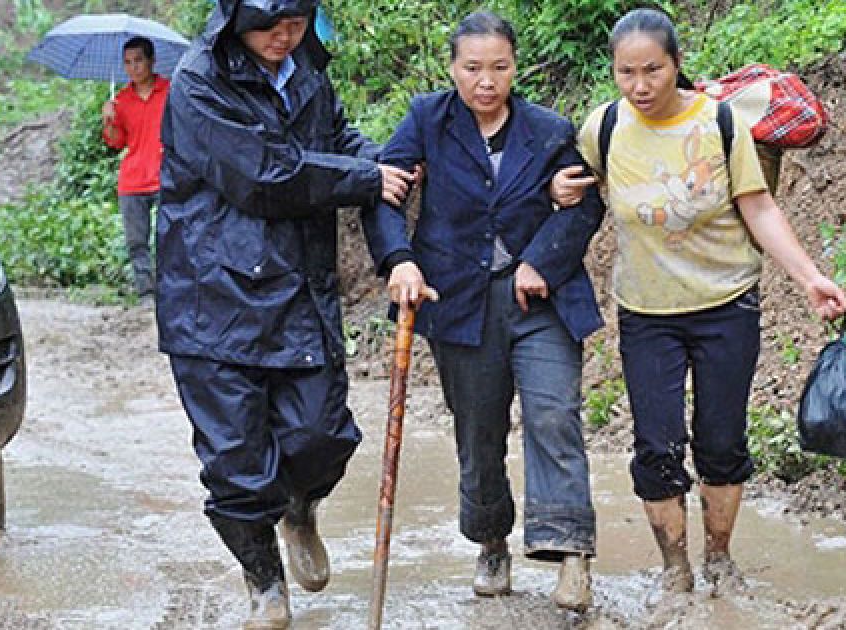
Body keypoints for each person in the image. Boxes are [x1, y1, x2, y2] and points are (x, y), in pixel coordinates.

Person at [553, 8, 846, 599]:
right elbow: (571, 179)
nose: (640, 86)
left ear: (677, 65)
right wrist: (558, 187)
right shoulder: (604, 126)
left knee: (721, 442)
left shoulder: (719, 123)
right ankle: (675, 571)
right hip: (646, 314)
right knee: (657, 448)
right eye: (627, 73)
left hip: (725, 304)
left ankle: (718, 559)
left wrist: (808, 276)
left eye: (653, 71)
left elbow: (758, 207)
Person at [155, 1, 415, 627]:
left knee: (321, 434)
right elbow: (263, 177)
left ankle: (301, 506)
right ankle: (265, 583)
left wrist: (382, 161)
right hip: (211, 299)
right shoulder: (199, 81)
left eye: (296, 22)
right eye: (270, 25)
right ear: (235, 22)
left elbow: (338, 138)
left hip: (296, 288)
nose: (284, 36)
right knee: (235, 460)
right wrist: (363, 177)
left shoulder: (305, 70)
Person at [362, 11, 605, 613]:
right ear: (453, 68)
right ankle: (492, 541)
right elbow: (385, 191)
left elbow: (583, 204)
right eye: (472, 67)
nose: (486, 80)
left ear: (515, 67)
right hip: (459, 302)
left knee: (554, 413)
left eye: (498, 67)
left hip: (538, 299)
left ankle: (572, 554)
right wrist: (399, 260)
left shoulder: (548, 129)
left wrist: (541, 262)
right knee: (478, 432)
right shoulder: (427, 120)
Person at [101, 36, 169, 305]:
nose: (133, 68)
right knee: (137, 242)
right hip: (132, 180)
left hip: (165, 176)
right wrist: (108, 121)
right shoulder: (121, 100)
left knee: (168, 238)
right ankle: (146, 293)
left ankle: (170, 290)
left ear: (152, 61)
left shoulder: (170, 91)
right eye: (127, 63)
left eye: (138, 60)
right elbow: (116, 143)